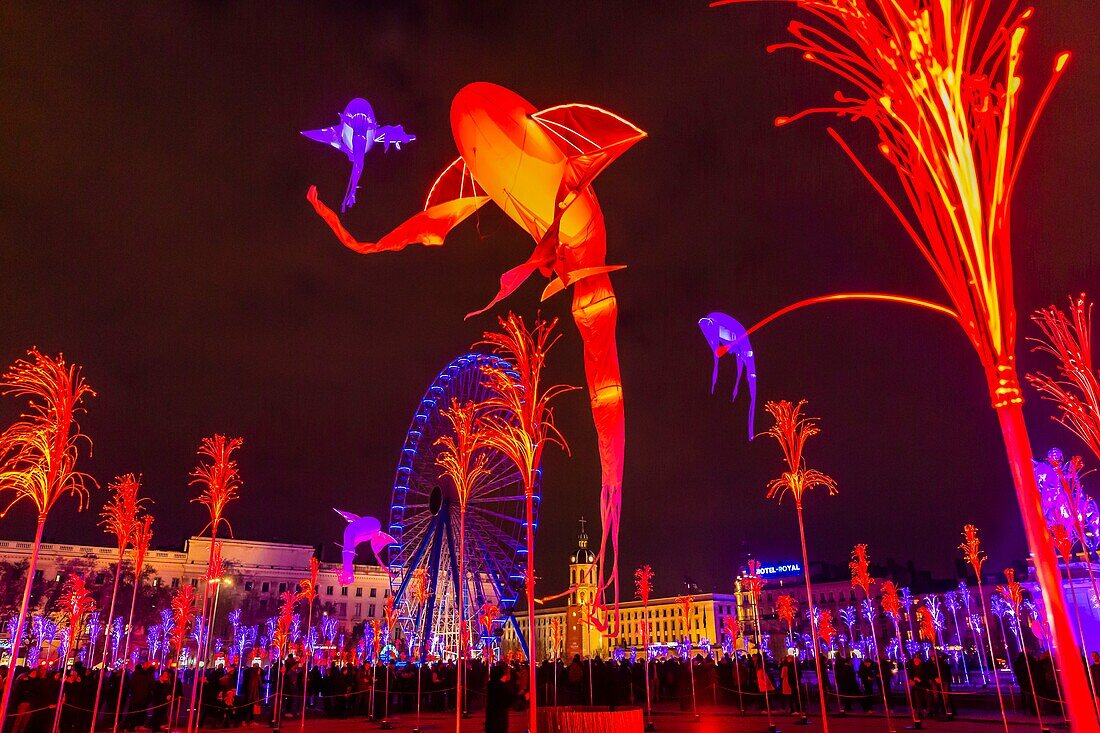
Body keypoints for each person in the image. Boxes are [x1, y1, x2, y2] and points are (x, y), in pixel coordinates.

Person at [484, 664, 514, 733]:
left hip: (492, 719)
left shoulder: (492, 685)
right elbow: (508, 701)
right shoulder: (501, 687)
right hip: (499, 720)